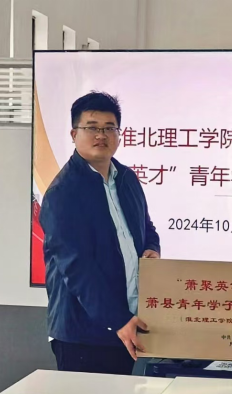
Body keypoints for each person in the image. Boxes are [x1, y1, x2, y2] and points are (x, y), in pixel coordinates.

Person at [39, 91, 160, 376]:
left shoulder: (127, 178)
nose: (101, 135)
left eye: (109, 128)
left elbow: (147, 227)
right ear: (74, 134)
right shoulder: (63, 193)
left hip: (128, 323)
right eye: (92, 127)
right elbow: (77, 268)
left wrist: (152, 248)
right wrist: (118, 320)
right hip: (84, 335)